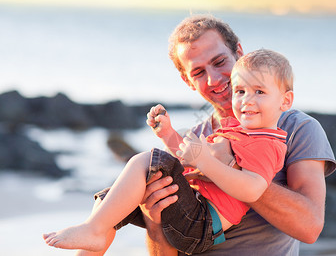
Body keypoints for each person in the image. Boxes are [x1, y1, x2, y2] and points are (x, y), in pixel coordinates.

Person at [42, 49, 295, 254]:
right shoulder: (235, 129)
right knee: (112, 201)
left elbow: (252, 188)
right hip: (191, 211)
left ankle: (93, 230)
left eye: (259, 92)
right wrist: (169, 135)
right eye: (240, 91)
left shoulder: (267, 142)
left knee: (152, 161)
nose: (246, 100)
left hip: (202, 223)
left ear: (285, 101)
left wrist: (207, 162)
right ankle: (94, 237)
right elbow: (187, 161)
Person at [142, 15, 336, 256]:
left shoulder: (297, 128)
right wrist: (154, 222)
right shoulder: (193, 141)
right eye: (199, 72)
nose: (214, 79)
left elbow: (310, 227)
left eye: (219, 61)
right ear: (188, 81)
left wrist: (227, 167)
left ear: (239, 53)